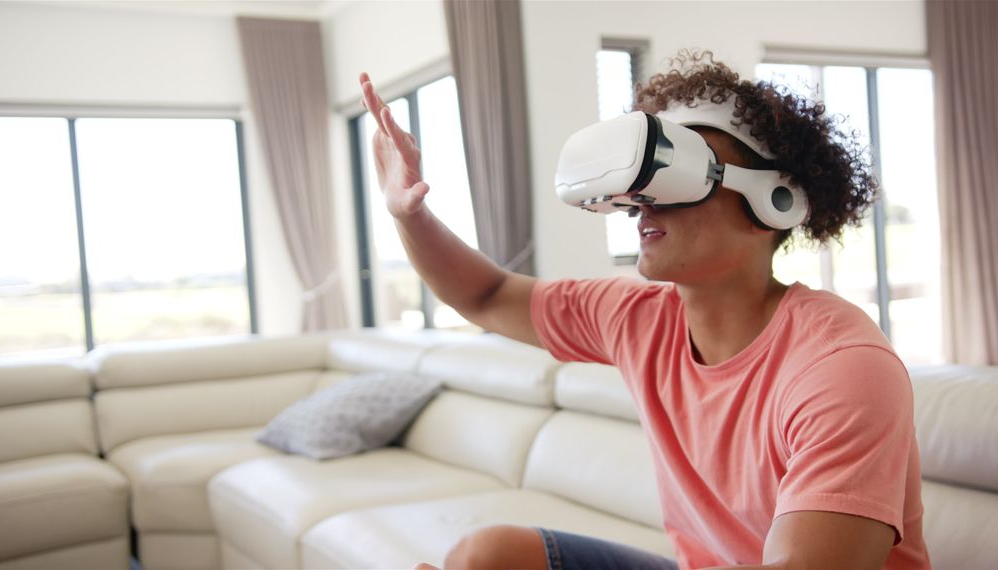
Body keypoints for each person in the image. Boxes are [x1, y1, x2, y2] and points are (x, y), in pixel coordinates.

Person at [358, 49, 930, 570]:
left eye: (676, 174)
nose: (642, 202)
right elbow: (486, 297)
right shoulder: (638, 318)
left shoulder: (841, 367)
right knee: (487, 557)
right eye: (641, 179)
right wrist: (409, 215)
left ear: (774, 200)